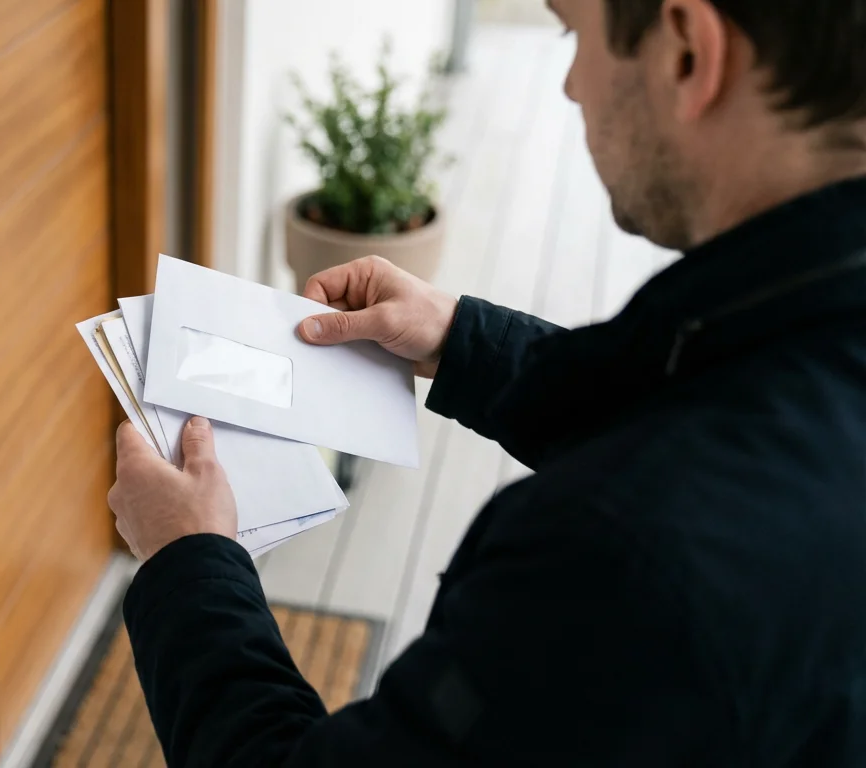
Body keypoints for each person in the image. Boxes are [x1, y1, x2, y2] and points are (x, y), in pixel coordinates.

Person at [107, 0, 866, 764]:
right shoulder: (806, 321)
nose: (571, 85)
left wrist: (188, 558)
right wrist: (462, 339)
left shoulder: (620, 559)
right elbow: (707, 391)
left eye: (575, 35)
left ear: (687, 53)